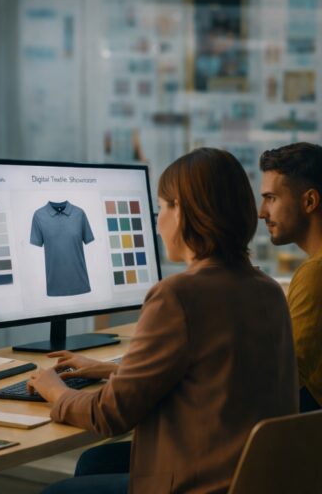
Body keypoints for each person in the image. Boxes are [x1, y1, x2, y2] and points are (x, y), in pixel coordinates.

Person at [29, 148, 298, 494]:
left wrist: (55, 389)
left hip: (199, 484)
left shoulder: (177, 295)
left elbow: (109, 415)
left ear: (182, 211)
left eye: (161, 208)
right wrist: (115, 370)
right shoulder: (267, 289)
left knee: (55, 492)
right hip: (253, 479)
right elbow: (214, 373)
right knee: (95, 464)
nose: (156, 223)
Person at [259, 142, 322, 412]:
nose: (262, 212)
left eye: (271, 198)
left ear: (309, 201)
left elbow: (283, 378)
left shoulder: (314, 274)